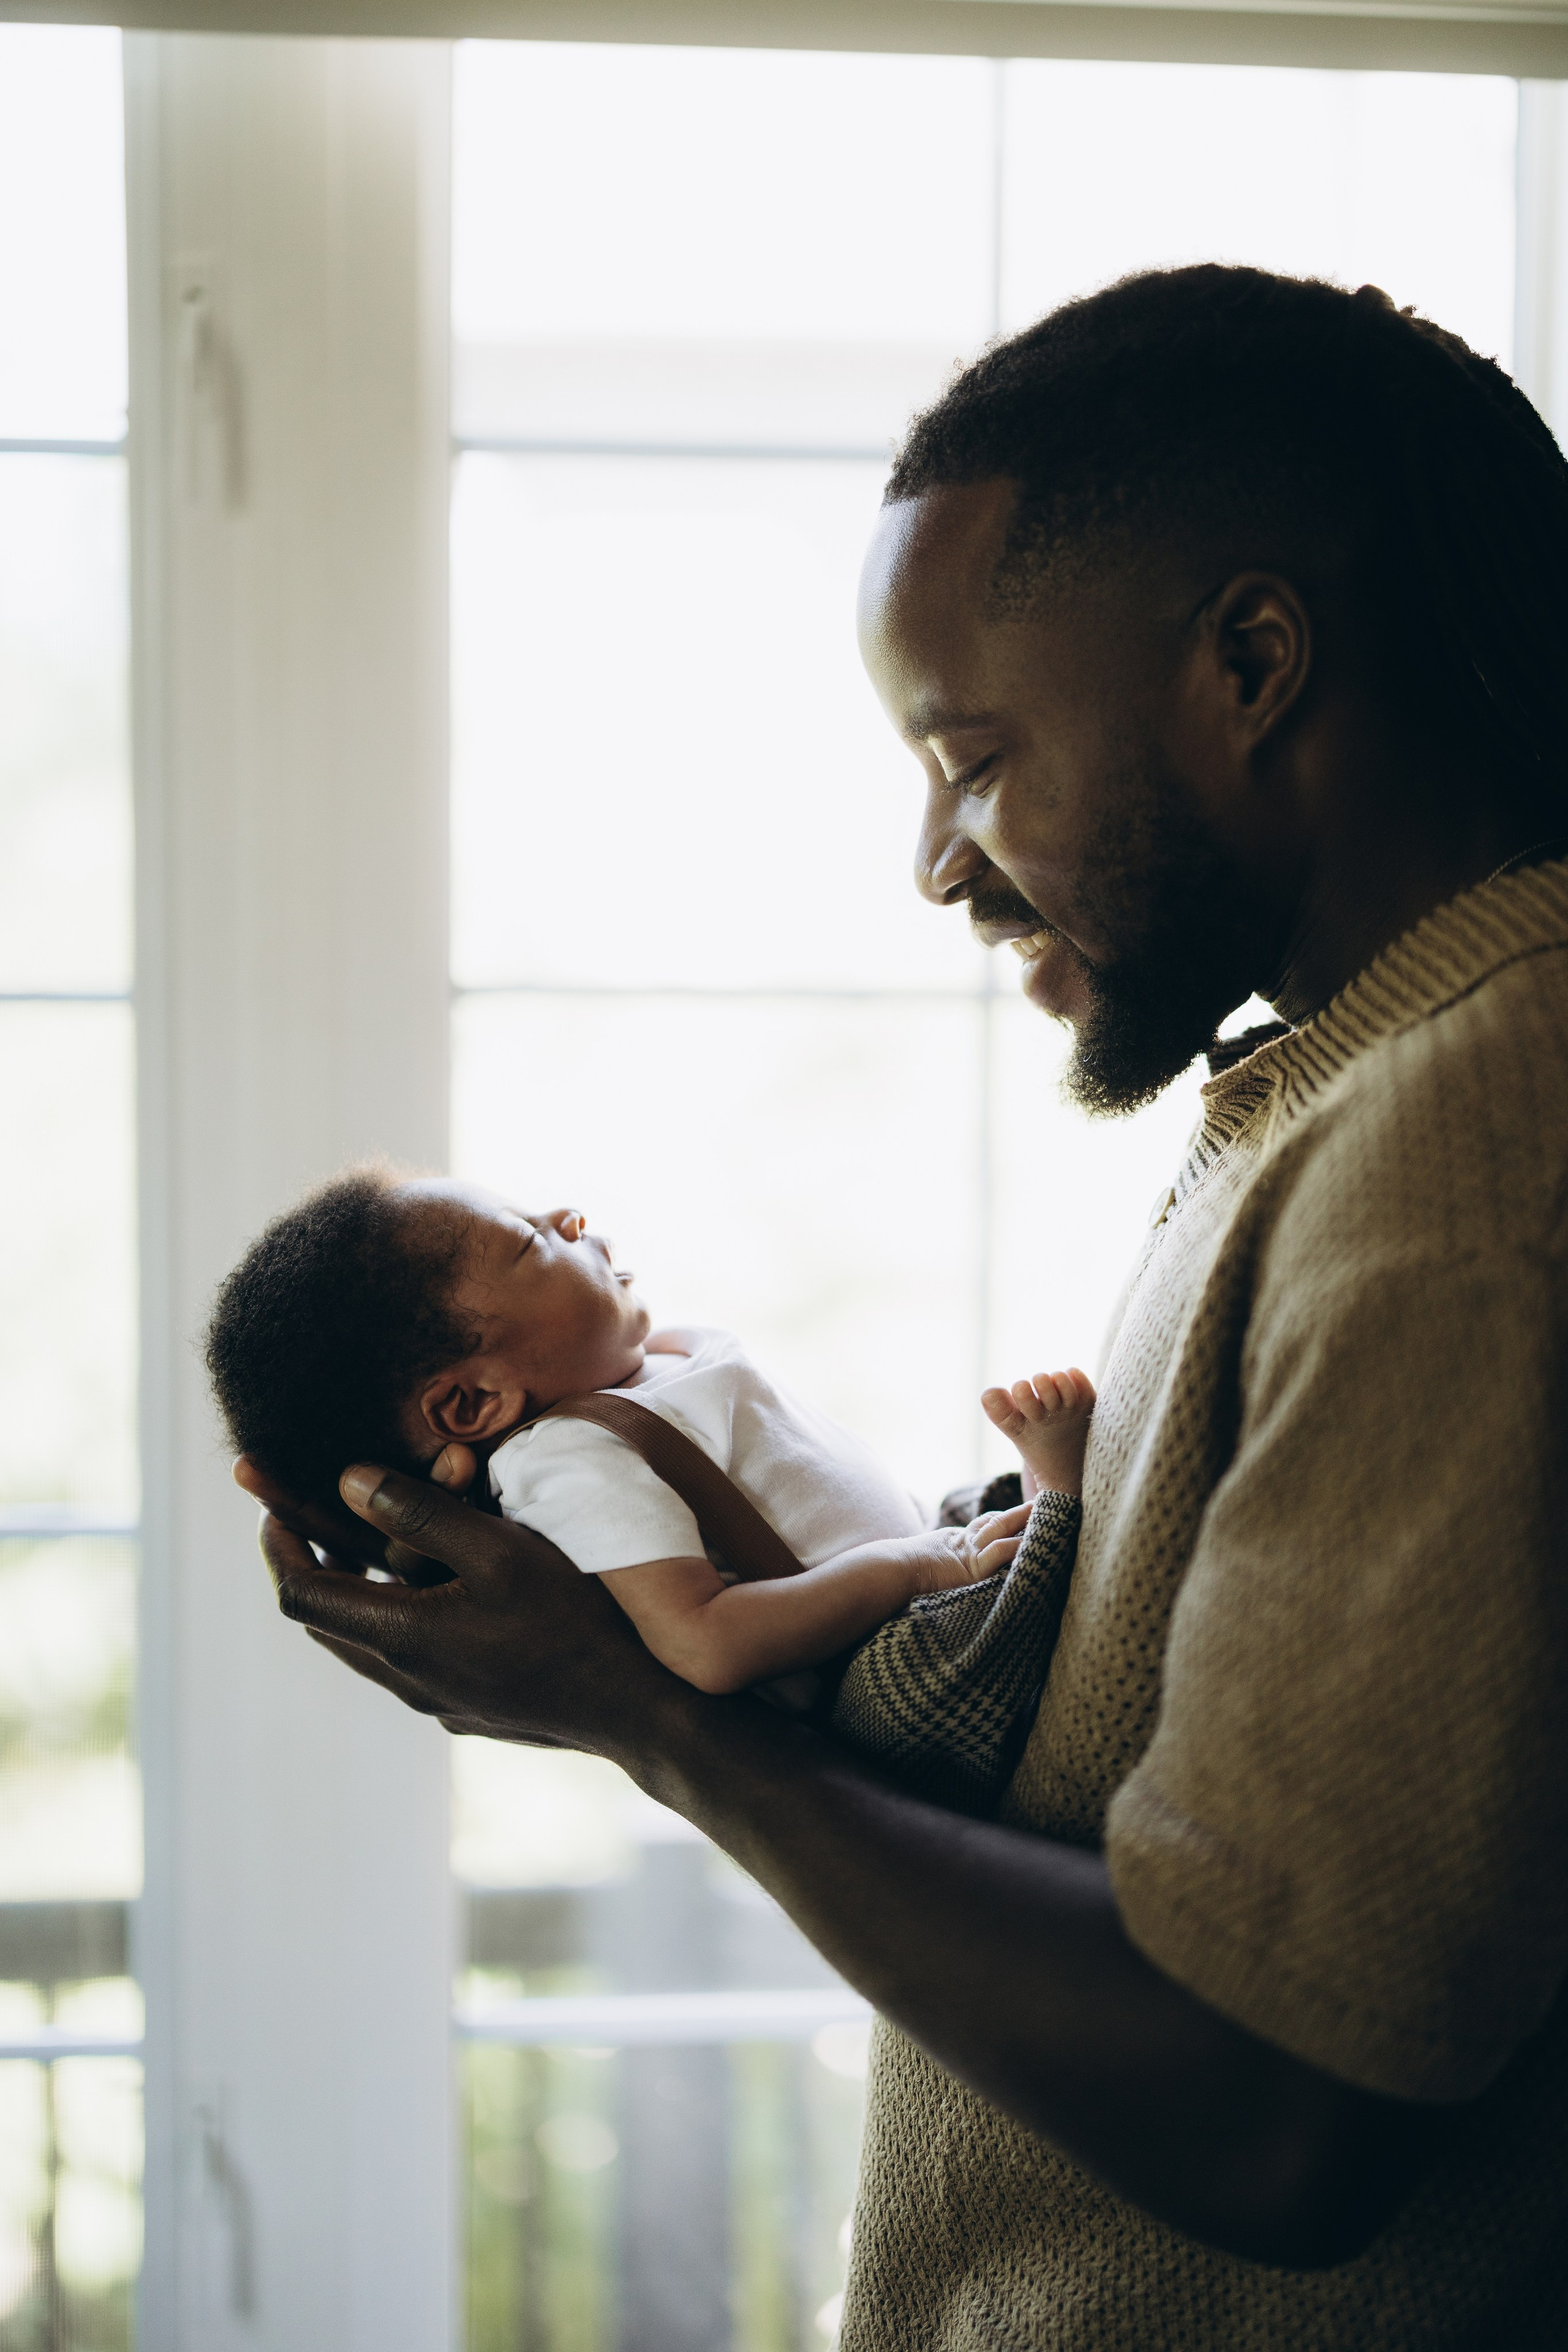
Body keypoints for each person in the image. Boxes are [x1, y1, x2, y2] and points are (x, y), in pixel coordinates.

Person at [239, 264, 1568, 2346]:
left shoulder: (1480, 1153)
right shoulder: (1338, 1089)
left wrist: (654, 1720)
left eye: (971, 758)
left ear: (1252, 662)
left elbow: (1289, 2116)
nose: (940, 866)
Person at [205, 1161, 1091, 1701]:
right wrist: (919, 1563)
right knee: (1015, 1572)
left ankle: (1038, 1506)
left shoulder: (647, 1371)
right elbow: (705, 1642)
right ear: (474, 1404)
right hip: (894, 1666)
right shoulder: (570, 1457)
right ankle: (1056, 1501)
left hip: (930, 1570)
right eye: (527, 1238)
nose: (569, 1217)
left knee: (981, 1515)